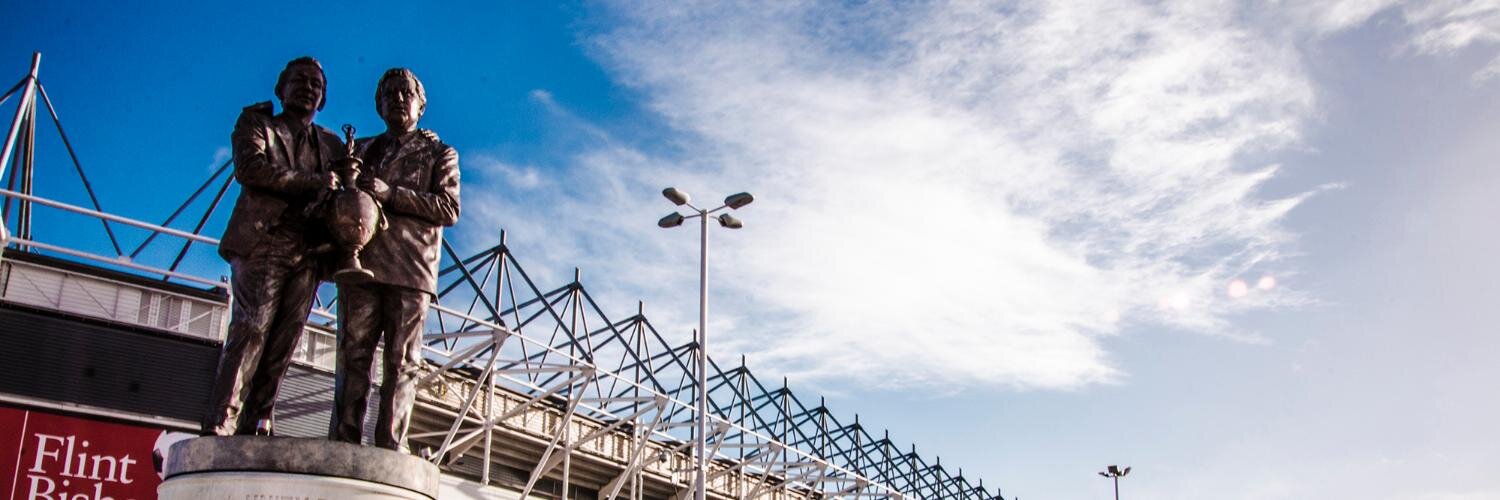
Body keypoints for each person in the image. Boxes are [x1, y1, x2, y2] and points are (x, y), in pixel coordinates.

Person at [203, 56, 342, 437]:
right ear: (280, 88)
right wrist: (312, 182)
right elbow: (251, 169)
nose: (308, 88)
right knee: (251, 329)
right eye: (299, 80)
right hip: (264, 239)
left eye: (316, 84)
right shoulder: (257, 123)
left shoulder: (331, 144)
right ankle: (222, 418)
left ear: (324, 99)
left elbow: (365, 167)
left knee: (285, 339)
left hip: (308, 250)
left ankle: (258, 420)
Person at [329, 68, 460, 452]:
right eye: (389, 94)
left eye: (406, 93)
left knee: (402, 362)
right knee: (353, 355)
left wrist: (391, 193)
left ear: (422, 104)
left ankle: (390, 445)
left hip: (411, 269)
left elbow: (449, 207)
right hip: (362, 267)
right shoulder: (361, 151)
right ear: (378, 104)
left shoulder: (439, 152)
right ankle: (344, 438)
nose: (398, 99)